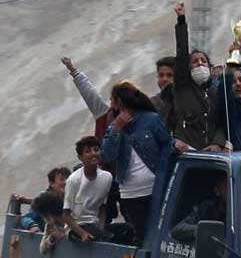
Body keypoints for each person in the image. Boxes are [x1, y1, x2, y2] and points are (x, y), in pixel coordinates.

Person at [101, 81, 175, 246]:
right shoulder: (114, 126)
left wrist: (162, 172)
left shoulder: (151, 119)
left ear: (119, 101)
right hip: (130, 192)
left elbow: (167, 144)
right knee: (142, 236)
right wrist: (117, 129)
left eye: (112, 100)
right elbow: (107, 156)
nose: (111, 104)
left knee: (162, 232)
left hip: (155, 187)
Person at [61, 57, 124, 223]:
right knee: (102, 211)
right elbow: (89, 93)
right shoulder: (104, 113)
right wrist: (74, 71)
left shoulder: (135, 119)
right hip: (102, 176)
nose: (116, 103)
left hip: (126, 178)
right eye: (114, 99)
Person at [170, 2, 226, 151]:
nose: (200, 64)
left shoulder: (216, 93)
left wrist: (217, 143)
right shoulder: (183, 87)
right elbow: (181, 54)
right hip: (186, 149)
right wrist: (181, 20)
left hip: (211, 152)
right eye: (195, 62)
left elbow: (222, 123)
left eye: (203, 61)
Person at [63, 136, 133, 245]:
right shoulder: (74, 180)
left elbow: (102, 207)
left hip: (94, 224)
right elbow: (66, 216)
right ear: (80, 157)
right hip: (76, 227)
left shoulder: (107, 177)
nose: (93, 154)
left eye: (96, 150)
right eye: (87, 151)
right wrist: (82, 234)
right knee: (107, 238)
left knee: (128, 229)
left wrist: (101, 228)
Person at [171, 174, 227, 242]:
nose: (230, 193)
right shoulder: (206, 209)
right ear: (217, 191)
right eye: (226, 188)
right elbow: (177, 230)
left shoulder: (240, 212)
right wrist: (203, 229)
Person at [14, 167, 71, 233]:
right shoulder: (44, 200)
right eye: (62, 179)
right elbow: (26, 218)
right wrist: (32, 226)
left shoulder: (72, 199)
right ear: (51, 183)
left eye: (68, 179)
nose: (65, 182)